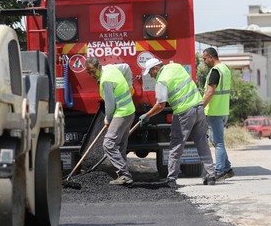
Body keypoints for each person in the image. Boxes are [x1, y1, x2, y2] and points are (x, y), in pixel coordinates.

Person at [139, 57, 216, 187]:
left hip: (184, 112)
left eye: (151, 72)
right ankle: (211, 175)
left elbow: (160, 105)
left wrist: (147, 115)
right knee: (202, 142)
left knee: (176, 145)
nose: (151, 76)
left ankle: (171, 179)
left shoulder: (162, 80)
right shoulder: (176, 66)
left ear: (156, 68)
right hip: (199, 107)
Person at [85, 57, 136, 185]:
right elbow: (126, 67)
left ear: (99, 67)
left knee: (108, 143)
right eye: (88, 72)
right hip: (130, 111)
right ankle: (124, 176)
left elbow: (110, 105)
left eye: (92, 71)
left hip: (122, 112)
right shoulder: (111, 68)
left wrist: (108, 119)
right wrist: (129, 84)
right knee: (120, 145)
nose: (91, 75)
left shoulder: (105, 80)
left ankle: (124, 175)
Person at [202, 47, 233, 179]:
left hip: (215, 110)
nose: (204, 61)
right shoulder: (225, 69)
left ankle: (219, 172)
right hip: (223, 109)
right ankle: (227, 168)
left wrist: (200, 106)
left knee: (218, 142)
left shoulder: (215, 71)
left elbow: (210, 92)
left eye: (204, 59)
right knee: (216, 140)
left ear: (210, 57)